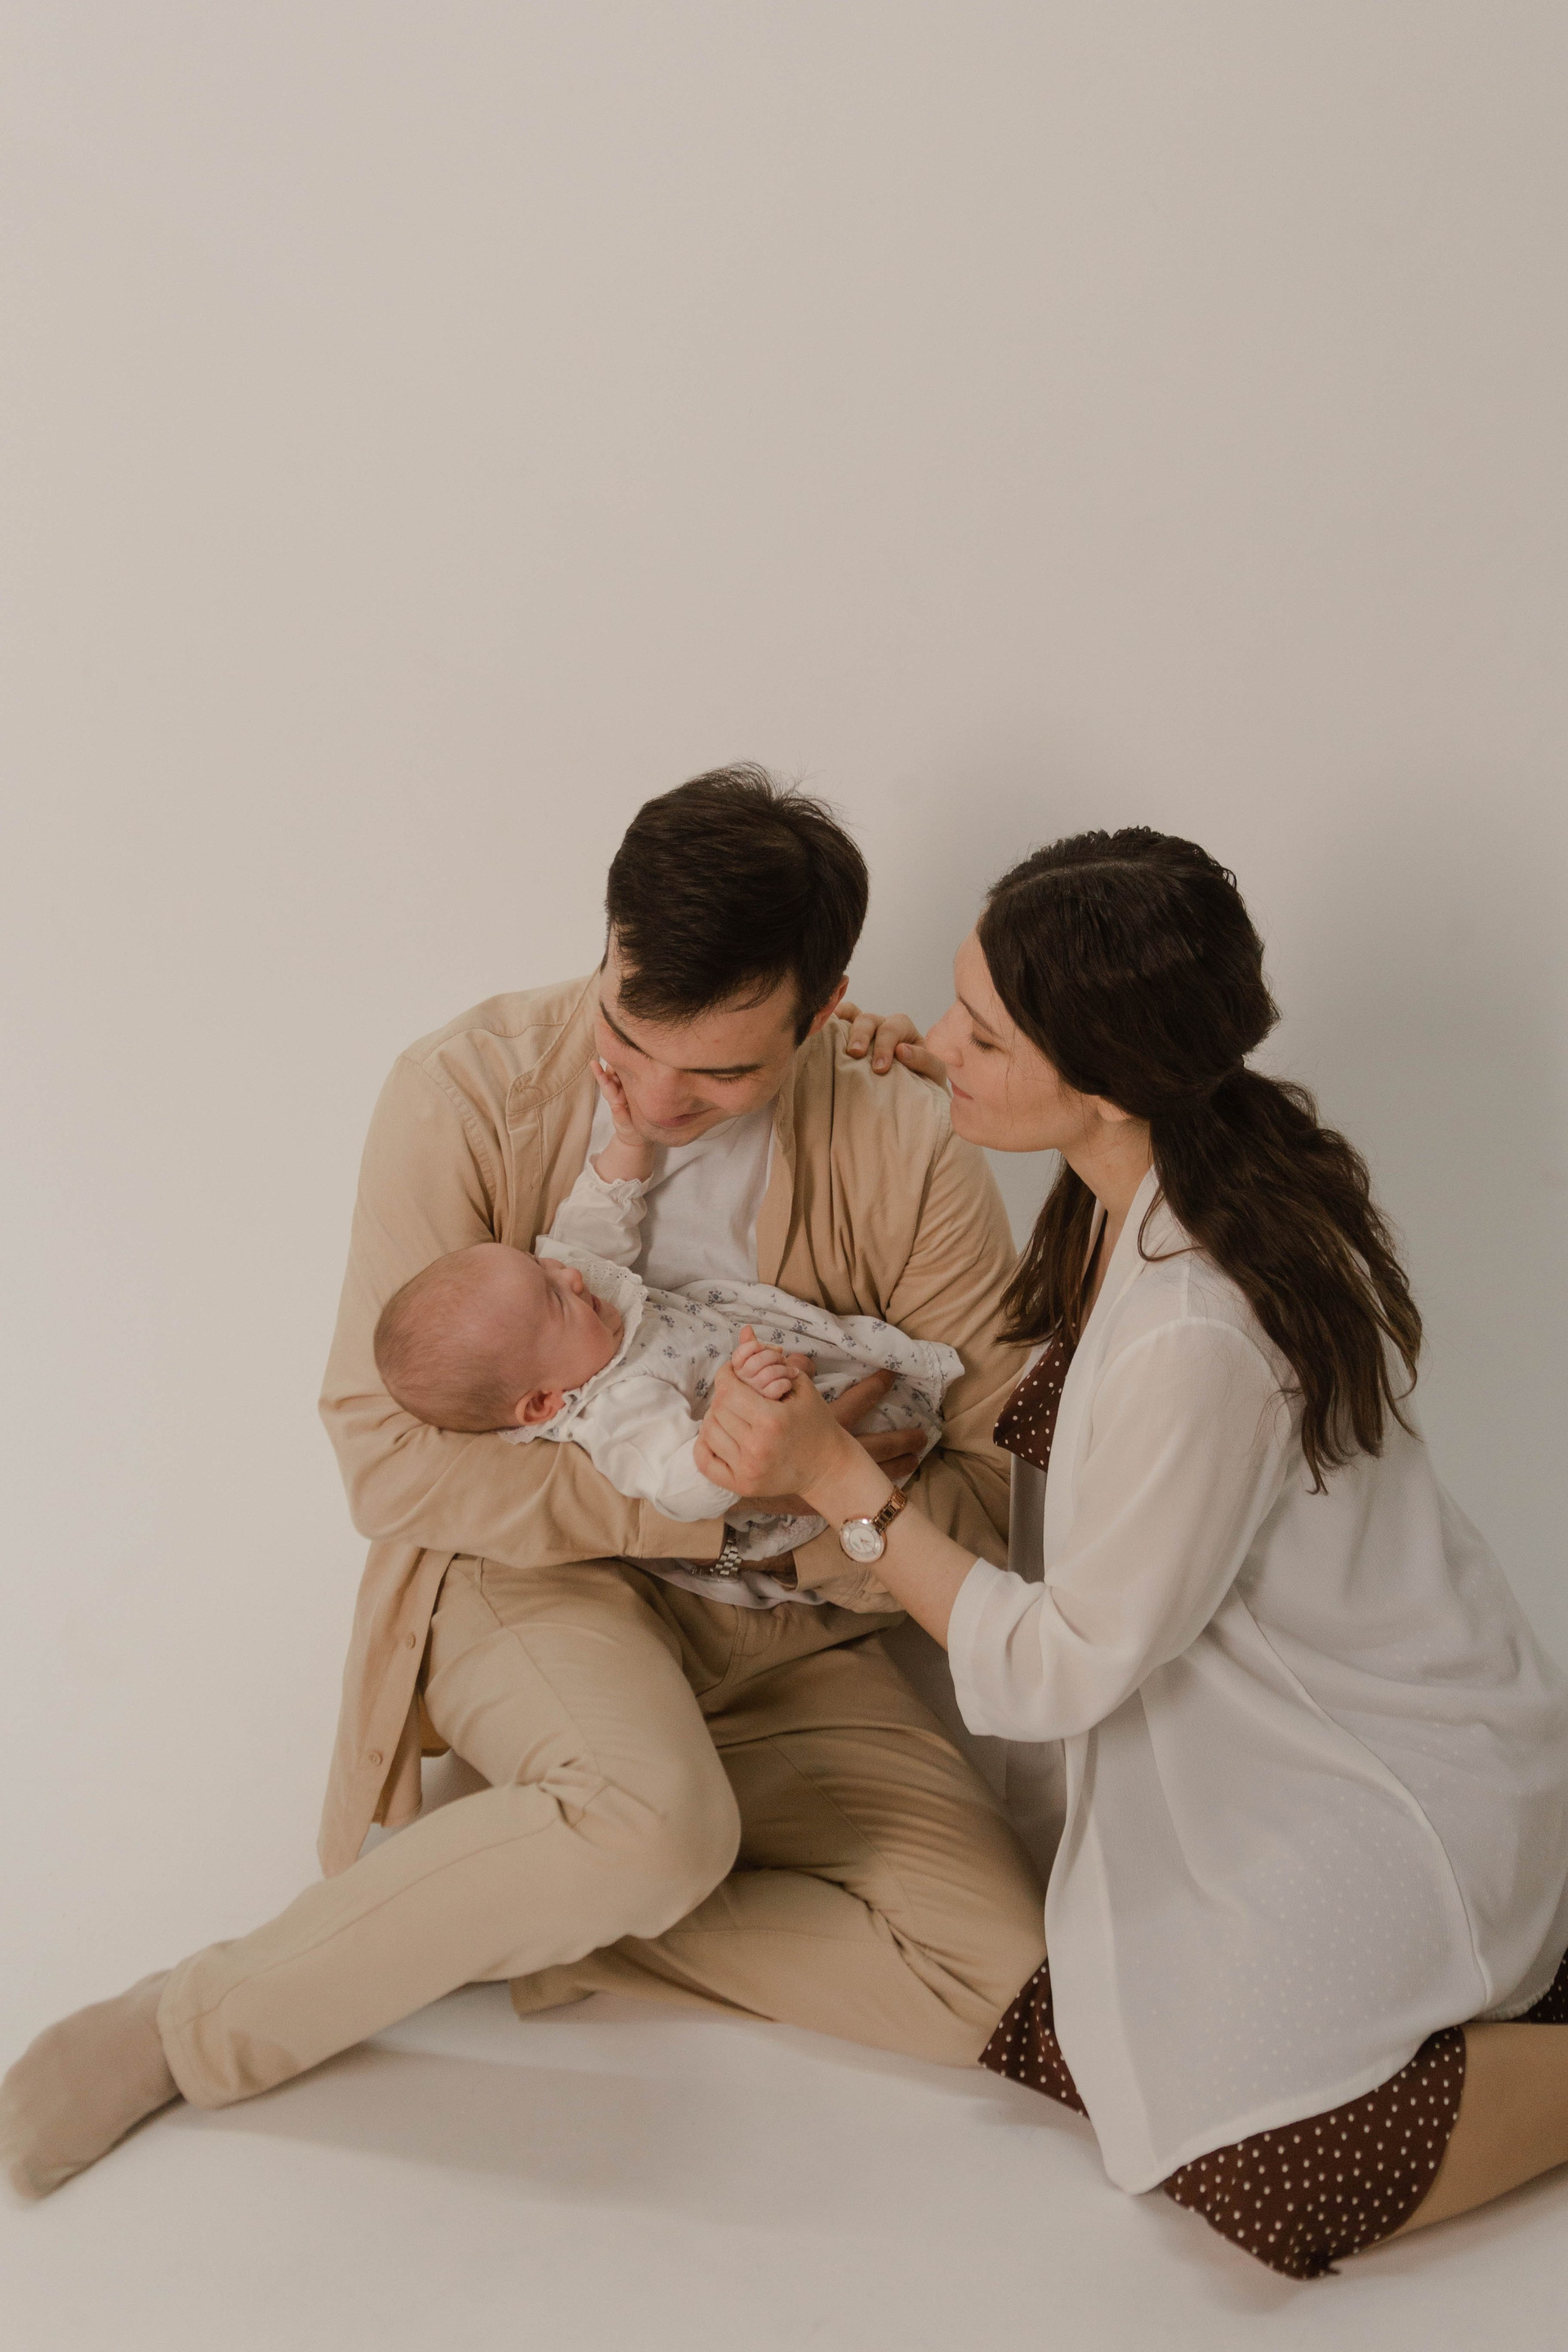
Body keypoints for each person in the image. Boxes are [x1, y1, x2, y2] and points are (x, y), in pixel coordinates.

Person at [0, 764, 1045, 2201]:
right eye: (631, 1038)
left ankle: (496, 1897)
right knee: (660, 1825)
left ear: (823, 1011)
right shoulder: (466, 1091)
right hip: (542, 1587)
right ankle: (196, 2024)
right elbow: (387, 1455)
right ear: (608, 948)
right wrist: (765, 1491)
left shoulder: (905, 1141)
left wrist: (806, 1522)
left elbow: (991, 1495)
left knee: (1008, 1983)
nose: (661, 1100)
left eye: (724, 1075)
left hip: (802, 1629)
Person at [697, 826, 1568, 2279]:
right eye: (955, 1006)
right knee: (1120, 2038)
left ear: (1105, 1083)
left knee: (1260, 2176)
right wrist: (942, 1069)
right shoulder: (1179, 1164)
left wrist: (838, 1484)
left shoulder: (1194, 1329)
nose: (937, 1038)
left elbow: (1061, 1667)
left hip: (1377, 1771)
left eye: (982, 1033)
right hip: (1318, 1727)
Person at [372, 1057, 964, 1569]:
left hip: (780, 1351)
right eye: (554, 1298)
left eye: (539, 1266)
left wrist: (630, 1140)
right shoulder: (617, 1412)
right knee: (878, 1426)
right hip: (777, 1443)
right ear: (545, 1403)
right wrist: (737, 1416)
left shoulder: (579, 1310)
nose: (569, 1275)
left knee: (855, 1363)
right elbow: (680, 1484)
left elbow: (596, 1215)